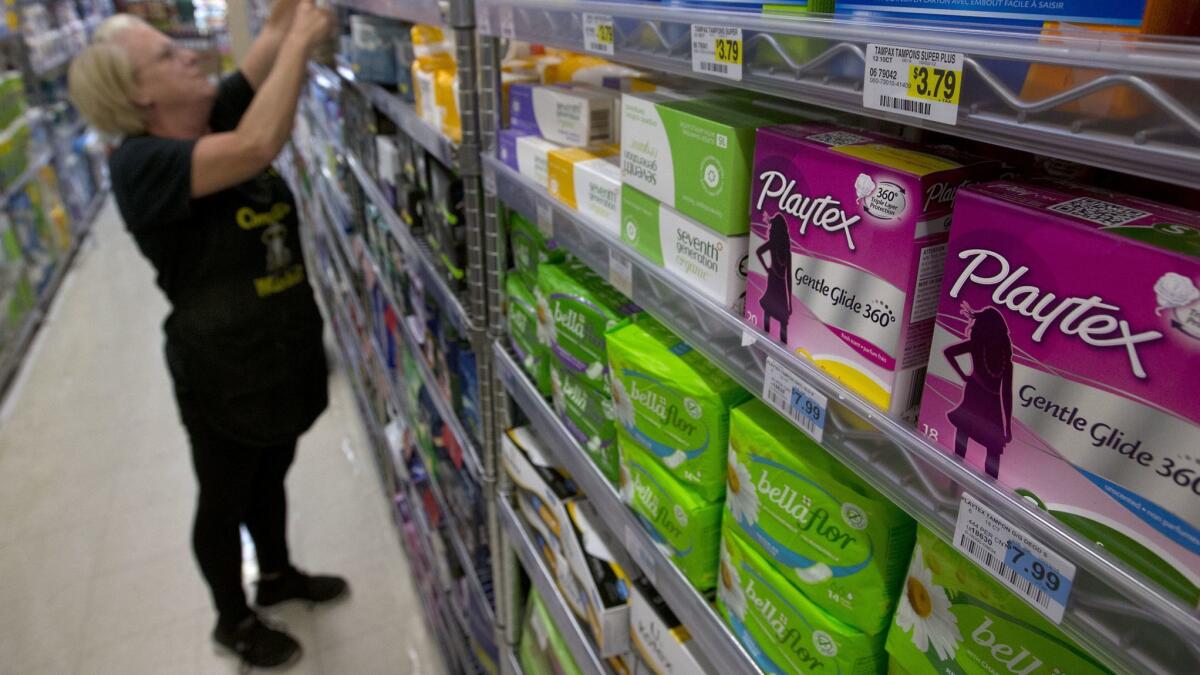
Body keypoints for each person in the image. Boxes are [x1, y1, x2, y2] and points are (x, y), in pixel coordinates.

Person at [68, 1, 343, 668]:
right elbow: (256, 147)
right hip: (220, 366)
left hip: (278, 345)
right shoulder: (142, 165)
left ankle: (276, 573)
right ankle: (232, 617)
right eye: (165, 55)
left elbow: (273, 31)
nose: (189, 52)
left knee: (273, 465)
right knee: (224, 494)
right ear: (136, 92)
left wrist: (290, 20)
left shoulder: (211, 110)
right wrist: (306, 41)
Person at [942, 303, 1014, 479]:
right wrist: (1008, 428)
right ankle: (959, 475)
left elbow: (1007, 394)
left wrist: (964, 376)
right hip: (986, 399)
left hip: (982, 397)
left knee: (974, 437)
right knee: (988, 446)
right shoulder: (980, 347)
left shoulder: (980, 348)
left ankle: (961, 476)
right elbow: (1007, 394)